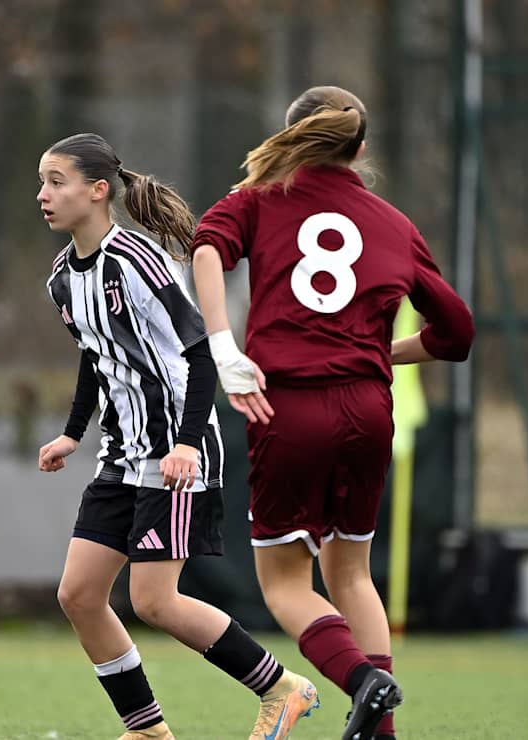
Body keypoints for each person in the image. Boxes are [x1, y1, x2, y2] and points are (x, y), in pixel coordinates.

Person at [189, 86, 476, 740]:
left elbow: (206, 249)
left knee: (286, 585)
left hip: (287, 405)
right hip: (368, 410)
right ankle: (382, 733)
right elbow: (456, 332)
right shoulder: (393, 222)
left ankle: (361, 681)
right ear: (361, 148)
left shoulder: (259, 199)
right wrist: (378, 353)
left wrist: (223, 345)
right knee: (351, 573)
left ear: (293, 136)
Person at [36, 133, 320, 740]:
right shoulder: (63, 277)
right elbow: (96, 357)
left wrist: (186, 443)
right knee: (80, 594)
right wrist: (70, 434)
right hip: (121, 455)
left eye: (56, 182)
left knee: (155, 601)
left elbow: (197, 350)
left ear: (98, 190)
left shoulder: (137, 261)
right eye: (42, 182)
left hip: (176, 453)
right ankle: (147, 730)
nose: (44, 195)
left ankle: (281, 688)